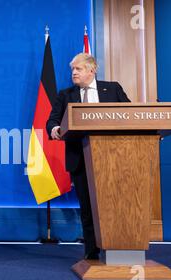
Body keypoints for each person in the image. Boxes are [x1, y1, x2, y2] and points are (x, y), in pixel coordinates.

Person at [46, 53, 130, 260]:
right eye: (72, 69)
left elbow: (130, 114)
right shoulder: (66, 95)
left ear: (92, 70)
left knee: (116, 205)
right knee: (88, 207)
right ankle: (91, 253)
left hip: (114, 159)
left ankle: (119, 251)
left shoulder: (112, 89)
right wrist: (55, 128)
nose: (74, 73)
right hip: (81, 160)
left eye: (78, 69)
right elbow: (52, 120)